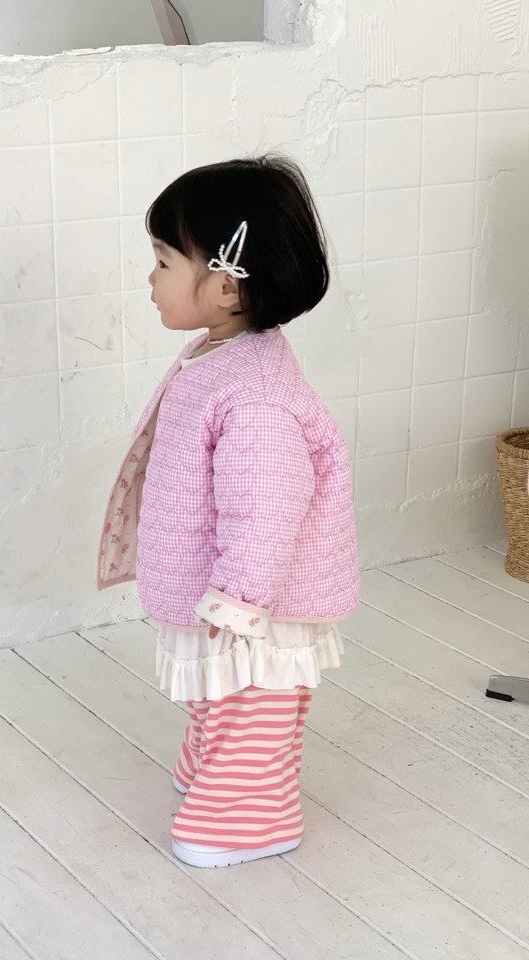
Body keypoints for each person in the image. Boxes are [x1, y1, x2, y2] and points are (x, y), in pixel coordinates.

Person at [97, 152, 360, 869]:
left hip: (258, 605)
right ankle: (213, 771)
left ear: (224, 284)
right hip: (230, 593)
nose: (149, 279)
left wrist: (240, 597)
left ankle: (249, 818)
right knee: (225, 698)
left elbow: (266, 506)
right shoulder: (218, 357)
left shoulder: (257, 398)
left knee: (253, 703)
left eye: (162, 261)